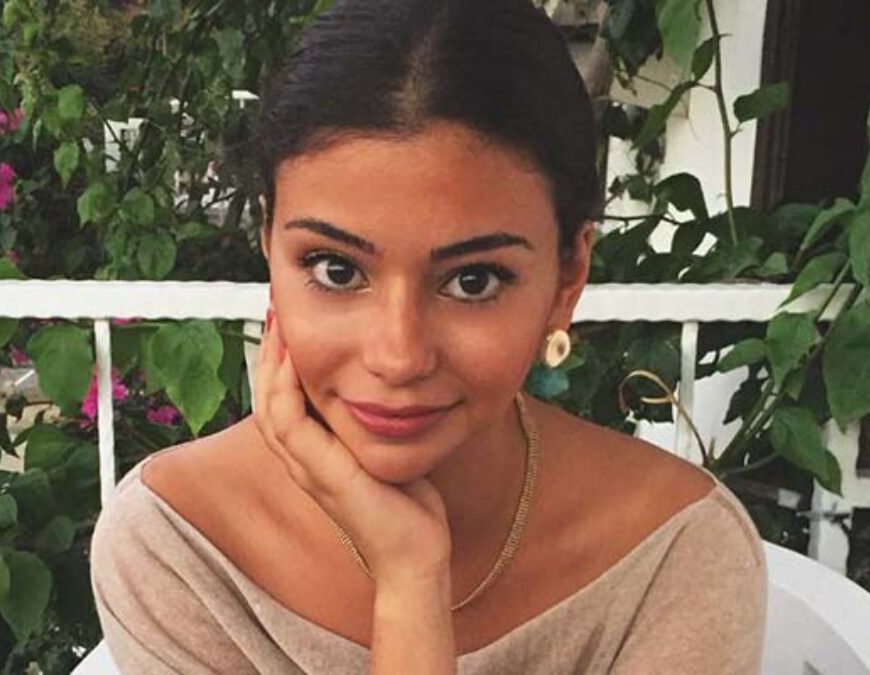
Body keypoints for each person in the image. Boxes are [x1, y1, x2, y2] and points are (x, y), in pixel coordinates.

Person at [90, 0, 767, 672]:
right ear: (269, 246)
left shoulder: (673, 552)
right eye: (335, 269)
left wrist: (410, 583)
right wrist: (410, 580)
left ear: (567, 278)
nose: (398, 356)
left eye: (473, 281)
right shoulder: (179, 544)